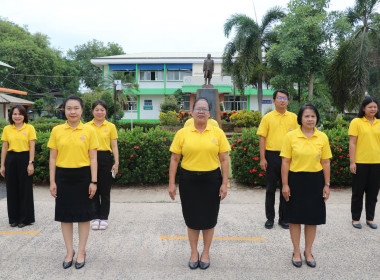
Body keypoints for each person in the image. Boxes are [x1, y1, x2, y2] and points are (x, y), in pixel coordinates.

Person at [168, 97, 230, 270]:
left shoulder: (217, 133)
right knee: (192, 219)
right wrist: (171, 183)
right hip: (189, 180)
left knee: (209, 218)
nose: (201, 111)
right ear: (192, 112)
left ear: (210, 113)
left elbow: (224, 159)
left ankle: (206, 252)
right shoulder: (183, 133)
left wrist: (225, 183)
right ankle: (194, 252)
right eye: (198, 109)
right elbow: (174, 159)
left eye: (205, 109)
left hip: (212, 180)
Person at [48, 96, 99, 269]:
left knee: (84, 217)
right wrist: (52, 181)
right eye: (69, 108)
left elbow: (93, 158)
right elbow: (52, 158)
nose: (72, 112)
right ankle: (69, 252)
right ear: (64, 110)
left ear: (82, 110)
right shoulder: (57, 130)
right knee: (66, 217)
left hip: (83, 177)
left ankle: (82, 252)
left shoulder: (90, 130)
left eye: (76, 108)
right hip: (63, 177)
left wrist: (94, 181)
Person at [281, 103, 331, 268]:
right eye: (307, 116)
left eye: (313, 116)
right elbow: (286, 162)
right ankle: (296, 251)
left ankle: (308, 251)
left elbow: (325, 162)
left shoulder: (322, 137)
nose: (310, 119)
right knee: (294, 219)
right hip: (296, 181)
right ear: (300, 118)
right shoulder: (291, 137)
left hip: (315, 182)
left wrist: (327, 184)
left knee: (312, 220)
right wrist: (285, 185)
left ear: (317, 118)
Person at [257, 89, 298, 229]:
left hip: (288, 157)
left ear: (288, 101)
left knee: (286, 188)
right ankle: (270, 218)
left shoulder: (294, 117)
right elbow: (262, 138)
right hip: (271, 156)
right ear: (274, 101)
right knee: (270, 189)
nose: (282, 100)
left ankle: (284, 218)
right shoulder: (267, 118)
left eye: (285, 98)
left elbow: (298, 138)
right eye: (279, 98)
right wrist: (263, 158)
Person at [1, 105, 36, 228]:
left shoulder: (30, 128)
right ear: (11, 115)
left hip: (25, 158)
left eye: (20, 114)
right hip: (11, 159)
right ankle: (14, 219)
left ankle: (25, 219)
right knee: (12, 189)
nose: (17, 116)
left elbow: (32, 146)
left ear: (24, 115)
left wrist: (30, 163)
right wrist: (2, 165)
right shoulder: (7, 129)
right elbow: (5, 147)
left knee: (25, 189)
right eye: (15, 114)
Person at [86, 100, 119, 231]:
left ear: (106, 111)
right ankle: (95, 217)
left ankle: (104, 217)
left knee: (105, 190)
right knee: (92, 189)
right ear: (92, 111)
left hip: (105, 158)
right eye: (97, 110)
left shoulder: (110, 126)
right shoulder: (87, 126)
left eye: (102, 110)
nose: (99, 112)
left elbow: (114, 146)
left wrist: (116, 162)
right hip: (89, 159)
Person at [349, 96, 380, 230]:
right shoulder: (356, 122)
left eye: (375, 107)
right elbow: (352, 142)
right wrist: (352, 162)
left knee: (373, 193)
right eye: (370, 107)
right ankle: (356, 219)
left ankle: (370, 218)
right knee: (358, 192)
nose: (373, 109)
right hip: (360, 162)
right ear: (363, 108)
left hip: (377, 163)